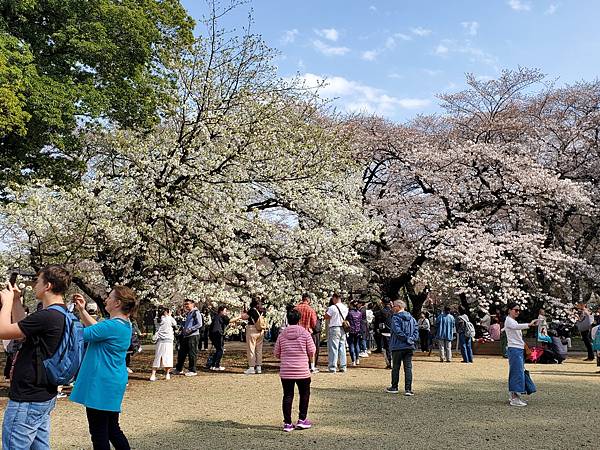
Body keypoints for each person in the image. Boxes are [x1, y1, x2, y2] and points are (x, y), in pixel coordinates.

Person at [0, 266, 71, 450]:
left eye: (37, 281)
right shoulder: (61, 314)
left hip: (27, 398)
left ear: (47, 286)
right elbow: (22, 331)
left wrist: (6, 301)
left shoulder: (47, 316)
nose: (34, 285)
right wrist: (16, 300)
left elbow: (3, 331)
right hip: (43, 395)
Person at [71, 286, 139, 450]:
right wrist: (81, 310)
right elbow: (97, 329)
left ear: (117, 303)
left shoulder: (112, 326)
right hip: (111, 381)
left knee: (100, 433)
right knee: (111, 429)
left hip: (101, 383)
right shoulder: (122, 324)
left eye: (109, 297)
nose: (106, 299)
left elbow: (79, 335)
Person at [273, 309, 316, 432]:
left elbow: (276, 353)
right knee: (304, 394)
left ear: (288, 319)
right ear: (299, 319)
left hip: (286, 370)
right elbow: (312, 351)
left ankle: (287, 423)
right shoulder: (305, 333)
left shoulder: (282, 335)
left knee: (287, 395)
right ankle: (302, 420)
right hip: (302, 370)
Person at [504, 302, 539, 407]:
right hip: (514, 349)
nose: (517, 312)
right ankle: (515, 398)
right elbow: (515, 327)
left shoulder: (511, 321)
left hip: (517, 349)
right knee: (517, 373)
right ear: (509, 310)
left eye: (519, 310)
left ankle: (514, 396)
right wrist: (529, 324)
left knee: (518, 372)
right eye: (516, 310)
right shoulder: (509, 321)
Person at [386, 300, 419, 395]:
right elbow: (416, 331)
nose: (392, 308)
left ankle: (394, 386)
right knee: (408, 368)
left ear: (399, 307)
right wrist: (411, 339)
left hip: (398, 346)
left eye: (394, 306)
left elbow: (397, 331)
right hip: (409, 346)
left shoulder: (395, 318)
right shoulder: (412, 319)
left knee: (396, 367)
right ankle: (408, 389)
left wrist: (405, 339)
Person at [173, 299, 203, 377]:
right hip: (185, 336)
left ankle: (192, 370)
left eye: (187, 304)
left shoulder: (196, 312)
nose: (186, 306)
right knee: (181, 353)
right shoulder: (189, 313)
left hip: (193, 336)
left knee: (192, 353)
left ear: (192, 304)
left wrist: (190, 329)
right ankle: (179, 369)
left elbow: (199, 324)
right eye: (185, 304)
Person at [150, 307, 178, 381]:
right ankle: (167, 374)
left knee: (158, 356)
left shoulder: (156, 319)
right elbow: (175, 323)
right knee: (168, 357)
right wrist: (170, 315)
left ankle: (153, 375)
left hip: (160, 340)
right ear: (166, 312)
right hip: (168, 340)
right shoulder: (169, 318)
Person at [324, 293, 349, 373]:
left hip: (334, 327)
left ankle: (332, 366)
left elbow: (326, 316)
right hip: (343, 328)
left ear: (335, 298)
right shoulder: (345, 307)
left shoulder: (332, 308)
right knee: (342, 347)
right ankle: (343, 366)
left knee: (333, 348)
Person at [294, 293, 319, 373]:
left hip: (296, 332)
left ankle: (298, 365)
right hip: (307, 332)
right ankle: (311, 366)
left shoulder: (295, 309)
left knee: (297, 350)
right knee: (310, 350)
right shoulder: (310, 310)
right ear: (308, 300)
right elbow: (314, 323)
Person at [242, 298, 265, 374]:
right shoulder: (263, 310)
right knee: (259, 349)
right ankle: (259, 367)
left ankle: (252, 367)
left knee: (251, 348)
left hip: (252, 329)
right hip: (261, 330)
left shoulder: (252, 310)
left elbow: (244, 317)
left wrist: (243, 312)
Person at [208, 305, 232, 371]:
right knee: (220, 350)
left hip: (213, 334)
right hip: (218, 334)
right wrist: (240, 317)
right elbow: (230, 321)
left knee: (218, 349)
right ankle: (217, 365)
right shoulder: (222, 316)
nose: (226, 312)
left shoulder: (216, 316)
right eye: (225, 311)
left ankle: (213, 365)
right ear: (221, 311)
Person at [346, 302, 363, 366]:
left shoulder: (349, 313)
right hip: (358, 330)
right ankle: (357, 359)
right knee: (357, 344)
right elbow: (360, 321)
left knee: (351, 345)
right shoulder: (359, 313)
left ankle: (353, 361)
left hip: (351, 331)